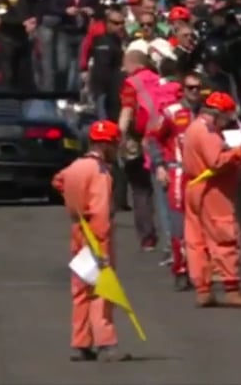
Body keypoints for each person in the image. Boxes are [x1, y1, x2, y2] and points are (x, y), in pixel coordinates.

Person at [51, 120, 131, 363]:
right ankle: (106, 344)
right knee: (102, 292)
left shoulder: (76, 166)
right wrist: (102, 246)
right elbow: (100, 211)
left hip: (77, 231)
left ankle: (81, 342)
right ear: (108, 145)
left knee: (81, 291)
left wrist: (74, 201)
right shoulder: (100, 173)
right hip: (95, 236)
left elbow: (58, 181)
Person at [182, 92, 241, 308]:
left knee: (196, 240)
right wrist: (239, 152)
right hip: (212, 190)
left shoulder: (194, 127)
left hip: (194, 187)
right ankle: (231, 288)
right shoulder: (208, 132)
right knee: (224, 235)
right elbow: (216, 162)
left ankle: (203, 289)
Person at [148, 71, 202, 290]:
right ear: (183, 89)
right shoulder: (172, 112)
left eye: (199, 88)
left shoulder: (210, 113)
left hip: (203, 175)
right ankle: (180, 270)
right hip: (178, 173)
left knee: (203, 226)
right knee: (178, 226)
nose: (195, 92)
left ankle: (201, 271)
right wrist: (160, 165)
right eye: (191, 88)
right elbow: (153, 138)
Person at [117, 48, 162, 251]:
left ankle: (147, 236)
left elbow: (127, 112)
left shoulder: (131, 83)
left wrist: (118, 137)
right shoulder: (158, 79)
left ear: (132, 64)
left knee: (140, 187)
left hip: (139, 137)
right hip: (162, 135)